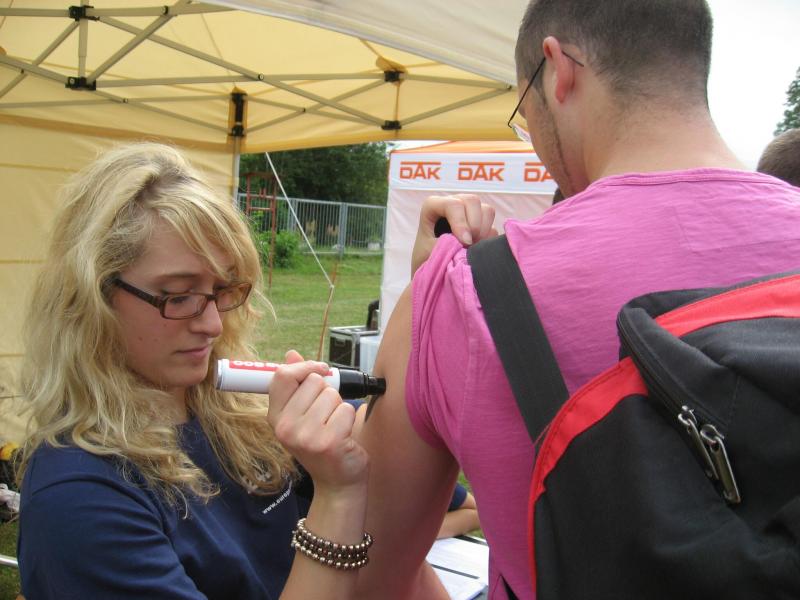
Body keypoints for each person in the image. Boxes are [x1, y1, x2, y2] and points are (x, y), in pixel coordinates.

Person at [349, 2, 800, 599]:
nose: (533, 137)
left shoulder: (467, 291)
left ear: (557, 69)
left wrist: (430, 302)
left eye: (523, 110)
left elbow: (369, 577)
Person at [16, 143, 371, 600]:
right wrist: (338, 496)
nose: (214, 324)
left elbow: (386, 428)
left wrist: (431, 277)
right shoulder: (79, 496)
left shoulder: (229, 409)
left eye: (221, 290)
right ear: (93, 297)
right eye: (179, 296)